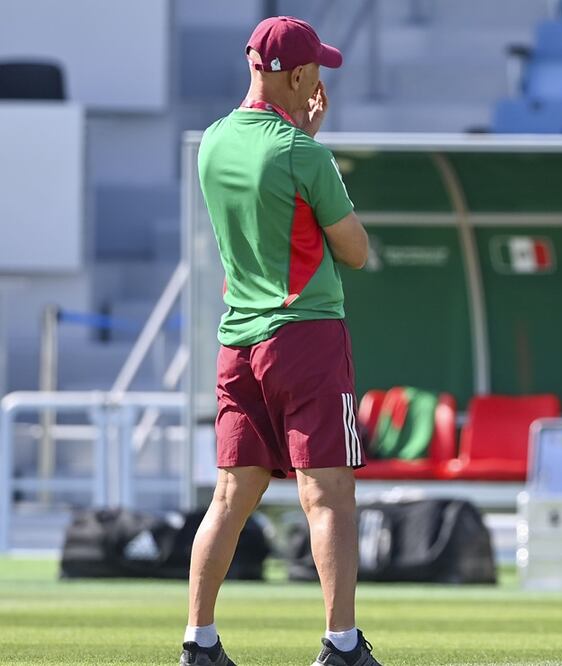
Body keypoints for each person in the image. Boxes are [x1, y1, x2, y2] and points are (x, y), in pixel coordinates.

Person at [181, 16, 379, 666]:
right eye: (315, 69)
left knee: (231, 496)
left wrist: (299, 138)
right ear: (296, 75)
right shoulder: (303, 154)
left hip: (237, 340)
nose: (320, 80)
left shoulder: (211, 143)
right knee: (328, 496)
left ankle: (199, 639)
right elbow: (355, 250)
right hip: (305, 337)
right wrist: (307, 146)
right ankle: (341, 644)